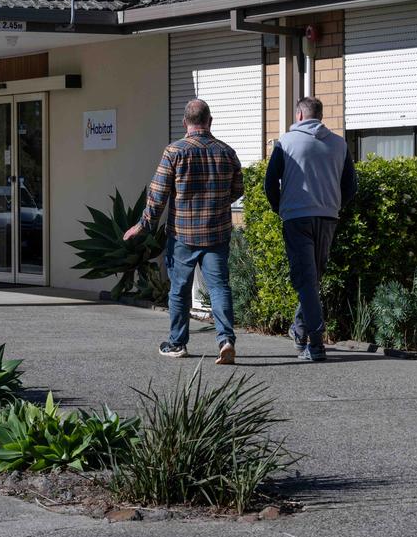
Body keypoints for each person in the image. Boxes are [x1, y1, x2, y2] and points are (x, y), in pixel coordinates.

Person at [124, 99, 243, 365]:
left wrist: (143, 225)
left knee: (179, 289)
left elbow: (158, 195)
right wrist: (217, 202)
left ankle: (177, 343)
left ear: (185, 123)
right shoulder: (227, 152)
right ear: (210, 121)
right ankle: (225, 341)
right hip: (216, 233)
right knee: (219, 287)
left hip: (182, 235)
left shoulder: (174, 152)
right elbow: (237, 189)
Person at [264, 96, 358, 362]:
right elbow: (351, 186)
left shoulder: (286, 142)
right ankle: (300, 329)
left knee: (306, 281)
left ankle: (316, 345)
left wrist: (280, 207)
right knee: (312, 279)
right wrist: (333, 204)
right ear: (319, 115)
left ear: (300, 116)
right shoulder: (339, 144)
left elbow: (270, 183)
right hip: (328, 217)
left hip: (296, 218)